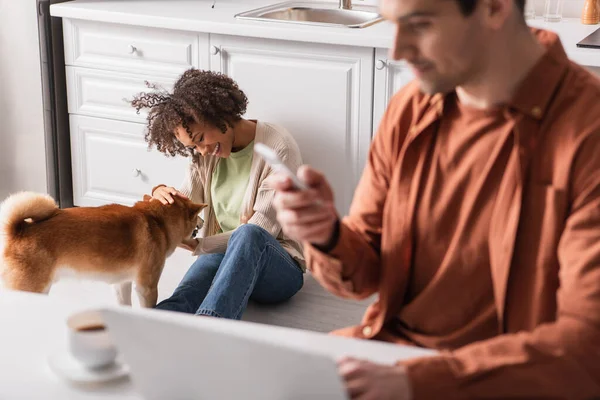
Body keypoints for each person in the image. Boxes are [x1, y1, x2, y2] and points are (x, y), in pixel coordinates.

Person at [269, 0, 600, 396]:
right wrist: (326, 234)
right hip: (389, 357)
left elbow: (585, 348)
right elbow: (365, 275)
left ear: (495, 8)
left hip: (508, 381)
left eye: (420, 25)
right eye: (393, 25)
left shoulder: (587, 132)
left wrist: (417, 382)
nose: (397, 50)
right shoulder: (410, 109)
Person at [130, 69, 304, 320]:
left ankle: (211, 328)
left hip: (279, 270)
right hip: (225, 255)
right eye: (193, 146)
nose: (202, 150)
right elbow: (186, 210)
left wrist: (201, 245)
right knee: (181, 302)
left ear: (221, 114)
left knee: (249, 233)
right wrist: (160, 196)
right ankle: (146, 330)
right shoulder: (204, 156)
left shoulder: (278, 148)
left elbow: (261, 230)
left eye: (201, 138)